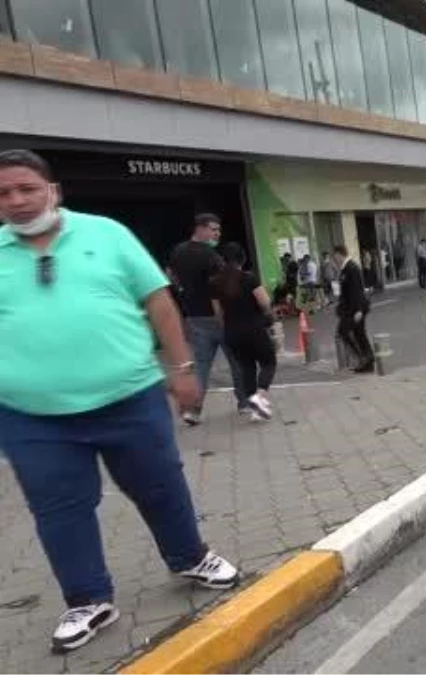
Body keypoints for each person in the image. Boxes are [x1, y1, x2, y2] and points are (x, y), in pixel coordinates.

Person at [0, 149, 239, 652]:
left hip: (128, 398)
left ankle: (190, 557)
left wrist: (181, 369)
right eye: (3, 193)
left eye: (27, 188)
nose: (16, 201)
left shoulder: (106, 234)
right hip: (31, 415)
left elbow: (157, 300)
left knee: (158, 484)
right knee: (59, 508)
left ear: (53, 191)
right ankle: (87, 599)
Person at [168, 212, 248, 424]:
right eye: (214, 229)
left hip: (194, 318)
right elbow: (223, 289)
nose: (217, 234)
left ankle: (193, 411)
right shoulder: (211, 256)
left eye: (218, 230)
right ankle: (244, 403)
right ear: (200, 228)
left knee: (201, 366)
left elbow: (171, 278)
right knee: (237, 362)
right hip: (219, 317)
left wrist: (184, 303)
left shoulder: (178, 252)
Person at [211, 242, 277, 422]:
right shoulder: (249, 278)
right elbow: (265, 302)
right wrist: (267, 316)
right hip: (254, 329)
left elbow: (218, 314)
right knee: (268, 362)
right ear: (243, 258)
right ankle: (260, 397)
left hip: (232, 333)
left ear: (223, 260)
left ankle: (254, 407)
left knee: (246, 368)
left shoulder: (215, 282)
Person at [332, 245, 375, 373]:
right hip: (350, 309)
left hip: (354, 310)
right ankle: (368, 361)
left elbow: (357, 291)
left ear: (340, 254)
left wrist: (359, 310)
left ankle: (363, 357)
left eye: (335, 257)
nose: (335, 260)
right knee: (359, 334)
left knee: (343, 331)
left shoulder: (351, 268)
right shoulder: (346, 268)